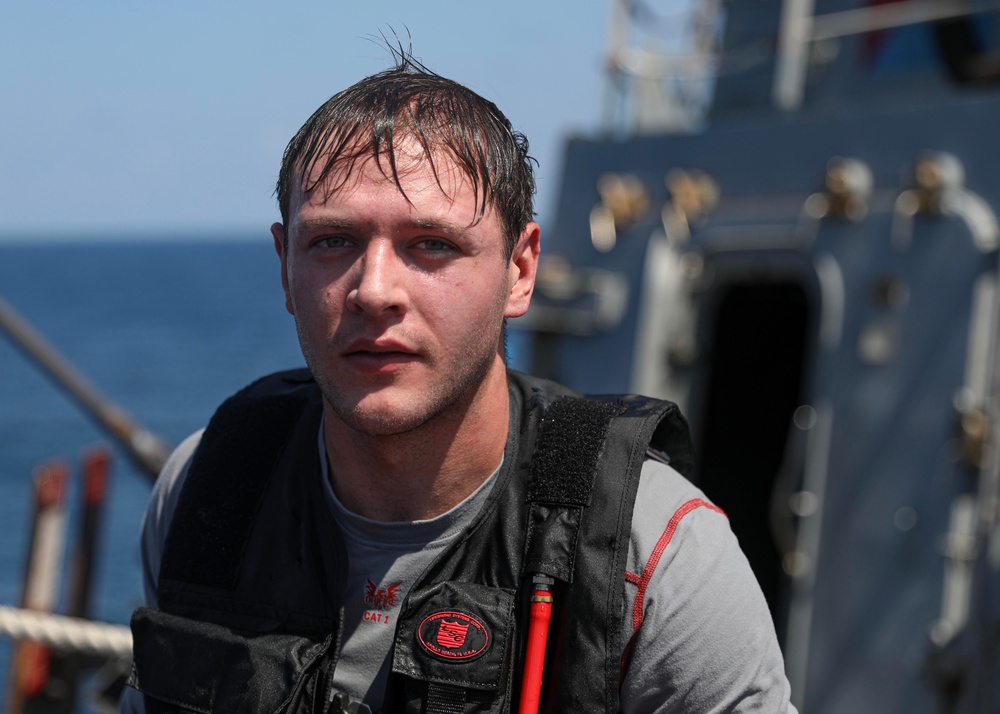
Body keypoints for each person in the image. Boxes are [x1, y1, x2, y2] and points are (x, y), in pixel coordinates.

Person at [120, 55, 796, 714]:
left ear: (520, 271)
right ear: (283, 266)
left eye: (431, 245)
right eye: (331, 241)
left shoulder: (654, 553)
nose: (374, 291)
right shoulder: (211, 490)